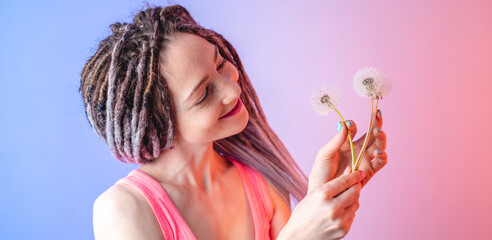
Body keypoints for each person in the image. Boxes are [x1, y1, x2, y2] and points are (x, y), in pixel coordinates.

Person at [80, 5, 388, 240]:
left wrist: (328, 194)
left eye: (220, 63)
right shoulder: (123, 209)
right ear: (157, 126)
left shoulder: (262, 183)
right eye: (203, 94)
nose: (232, 87)